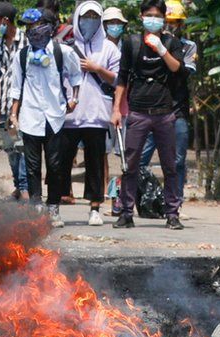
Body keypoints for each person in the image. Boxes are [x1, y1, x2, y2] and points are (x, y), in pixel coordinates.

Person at [111, 0, 186, 229]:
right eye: (149, 15)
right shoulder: (131, 43)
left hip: (165, 113)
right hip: (138, 112)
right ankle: (126, 212)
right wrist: (116, 109)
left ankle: (172, 213)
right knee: (130, 165)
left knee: (170, 166)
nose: (153, 19)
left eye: (157, 15)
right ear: (142, 16)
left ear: (163, 19)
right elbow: (122, 77)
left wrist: (161, 50)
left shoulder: (171, 42)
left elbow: (177, 69)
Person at [8, 8, 82, 226]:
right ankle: (37, 207)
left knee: (55, 165)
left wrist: (74, 99)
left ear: (49, 27)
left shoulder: (63, 52)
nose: (32, 30)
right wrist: (14, 114)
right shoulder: (21, 56)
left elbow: (76, 75)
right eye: (28, 26)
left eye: (36, 25)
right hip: (30, 115)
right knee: (32, 166)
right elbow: (15, 87)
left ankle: (53, 208)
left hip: (55, 116)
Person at [58, 0, 119, 226]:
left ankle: (95, 208)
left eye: (95, 17)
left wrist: (98, 69)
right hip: (69, 116)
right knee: (61, 162)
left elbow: (119, 78)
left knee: (95, 163)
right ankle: (55, 203)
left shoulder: (109, 48)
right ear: (77, 19)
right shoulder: (66, 47)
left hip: (96, 114)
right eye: (86, 17)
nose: (90, 22)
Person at [137, 0, 196, 202]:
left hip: (176, 110)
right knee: (137, 159)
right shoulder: (141, 43)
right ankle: (126, 200)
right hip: (149, 109)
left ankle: (175, 201)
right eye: (168, 21)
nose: (171, 25)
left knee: (177, 161)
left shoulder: (188, 47)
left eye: (176, 22)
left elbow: (183, 73)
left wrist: (166, 49)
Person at [0, 1, 28, 200]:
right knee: (10, 148)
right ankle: (19, 186)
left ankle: (26, 187)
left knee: (24, 147)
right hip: (3, 105)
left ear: (5, 20)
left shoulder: (27, 41)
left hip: (24, 106)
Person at [101, 6, 127, 214]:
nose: (115, 27)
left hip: (125, 104)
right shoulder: (97, 47)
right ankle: (103, 191)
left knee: (125, 151)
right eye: (111, 23)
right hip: (101, 102)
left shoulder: (128, 47)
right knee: (102, 150)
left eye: (118, 23)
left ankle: (122, 193)